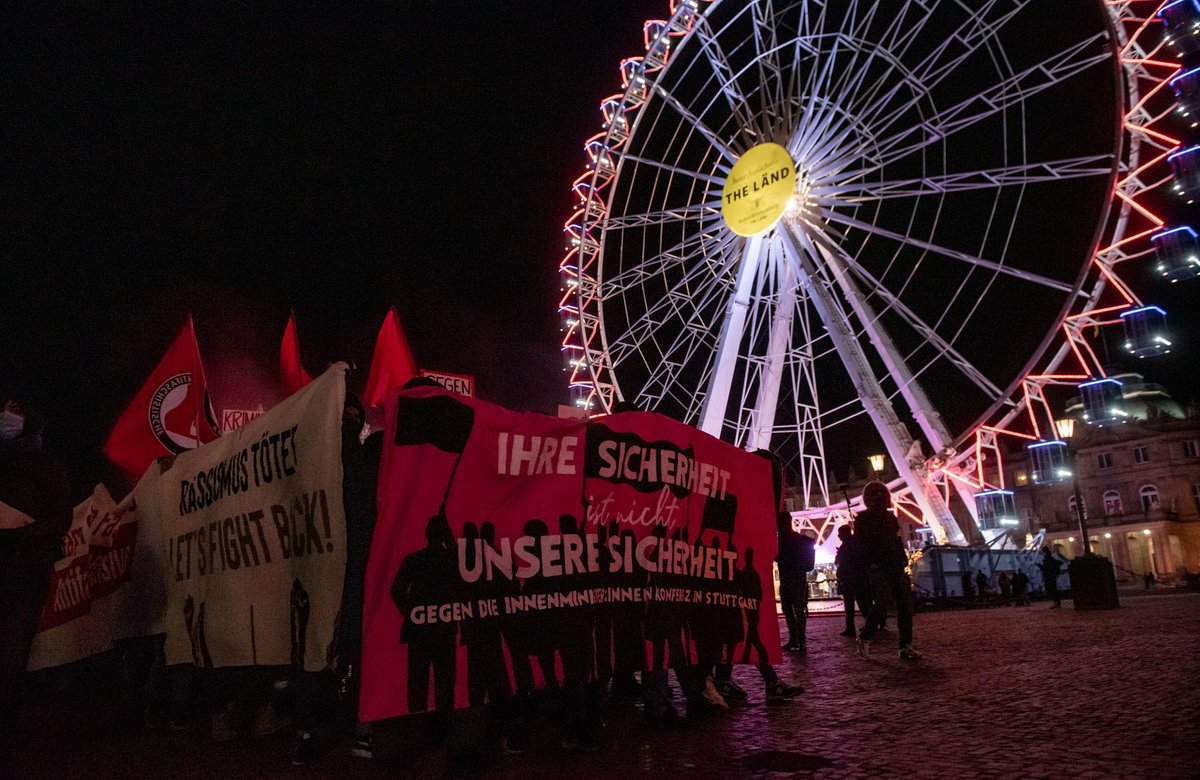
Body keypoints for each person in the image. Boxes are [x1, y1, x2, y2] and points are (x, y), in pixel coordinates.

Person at [0, 397, 72, 765]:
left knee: (11, 654)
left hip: (25, 572)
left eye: (14, 410)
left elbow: (60, 519)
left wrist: (17, 538)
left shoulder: (45, 467)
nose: (5, 415)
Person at [853, 482, 921, 660]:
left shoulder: (890, 518)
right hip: (879, 566)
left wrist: (902, 561)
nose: (879, 499)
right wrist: (870, 565)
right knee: (882, 604)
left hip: (894, 565)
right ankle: (865, 637)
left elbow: (897, 542)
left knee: (904, 605)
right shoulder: (863, 519)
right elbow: (861, 546)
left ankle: (905, 644)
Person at [776, 512, 808, 652]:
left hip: (788, 579)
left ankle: (795, 638)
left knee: (789, 610)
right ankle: (799, 639)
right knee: (797, 610)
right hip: (798, 579)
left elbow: (778, 558)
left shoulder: (783, 540)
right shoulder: (798, 539)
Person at [835, 524, 865, 638]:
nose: (838, 536)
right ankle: (870, 623)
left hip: (849, 579)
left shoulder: (847, 546)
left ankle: (850, 628)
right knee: (862, 603)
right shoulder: (855, 544)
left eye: (840, 533)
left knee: (850, 606)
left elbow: (840, 561)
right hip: (856, 578)